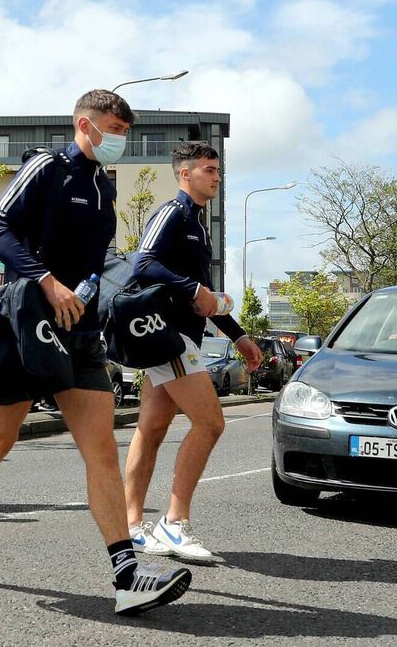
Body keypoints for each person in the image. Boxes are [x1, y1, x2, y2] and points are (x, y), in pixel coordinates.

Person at [0, 89, 192, 616]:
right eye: (113, 130)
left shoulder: (103, 185)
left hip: (81, 331)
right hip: (29, 323)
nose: (120, 140)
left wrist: (104, 291)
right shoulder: (48, 167)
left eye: (125, 132)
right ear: (84, 124)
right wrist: (47, 282)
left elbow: (95, 259)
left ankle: (126, 575)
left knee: (102, 450)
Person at [122, 142, 261, 563]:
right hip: (168, 337)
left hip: (182, 335)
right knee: (211, 423)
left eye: (218, 170)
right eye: (208, 169)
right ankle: (174, 521)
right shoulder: (173, 213)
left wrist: (238, 335)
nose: (217, 177)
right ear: (185, 174)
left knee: (150, 429)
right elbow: (142, 263)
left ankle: (130, 526)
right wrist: (191, 288)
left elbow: (205, 296)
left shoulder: (199, 225)